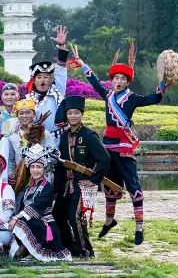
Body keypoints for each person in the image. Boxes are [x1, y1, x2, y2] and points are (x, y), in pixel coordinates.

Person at [77, 44, 168, 246]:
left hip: (124, 146)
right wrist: (83, 65)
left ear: (127, 83)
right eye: (116, 78)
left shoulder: (132, 98)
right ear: (112, 81)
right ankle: (109, 220)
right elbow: (94, 83)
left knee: (132, 184)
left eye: (122, 79)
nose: (118, 81)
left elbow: (153, 99)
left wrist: (162, 87)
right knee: (110, 184)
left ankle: (139, 226)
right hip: (107, 146)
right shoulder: (108, 96)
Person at [53, 94, 109, 258]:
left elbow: (104, 158)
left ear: (82, 114)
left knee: (75, 216)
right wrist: (56, 189)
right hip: (65, 185)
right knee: (58, 215)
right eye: (70, 113)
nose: (73, 116)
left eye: (76, 113)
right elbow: (60, 164)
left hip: (81, 184)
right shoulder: (63, 136)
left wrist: (93, 181)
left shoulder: (89, 135)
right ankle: (70, 247)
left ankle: (86, 250)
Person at [8, 144, 72, 262]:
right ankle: (26, 248)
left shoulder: (47, 187)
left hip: (44, 224)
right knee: (18, 221)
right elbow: (23, 207)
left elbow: (36, 207)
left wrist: (16, 217)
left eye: (39, 167)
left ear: (45, 169)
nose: (35, 170)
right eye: (32, 167)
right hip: (32, 223)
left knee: (21, 221)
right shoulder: (29, 188)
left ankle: (31, 250)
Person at [0, 99, 55, 193]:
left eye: (28, 113)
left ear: (34, 114)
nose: (24, 116)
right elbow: (11, 159)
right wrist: (11, 174)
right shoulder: (12, 135)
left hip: (40, 180)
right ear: (17, 115)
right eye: (21, 113)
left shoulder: (44, 133)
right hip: (19, 179)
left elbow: (53, 158)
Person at [24, 25, 70, 136]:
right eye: (39, 77)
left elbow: (61, 71)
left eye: (45, 77)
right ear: (34, 81)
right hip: (35, 140)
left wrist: (61, 46)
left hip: (58, 139)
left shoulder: (57, 91)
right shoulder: (28, 98)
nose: (42, 80)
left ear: (51, 79)